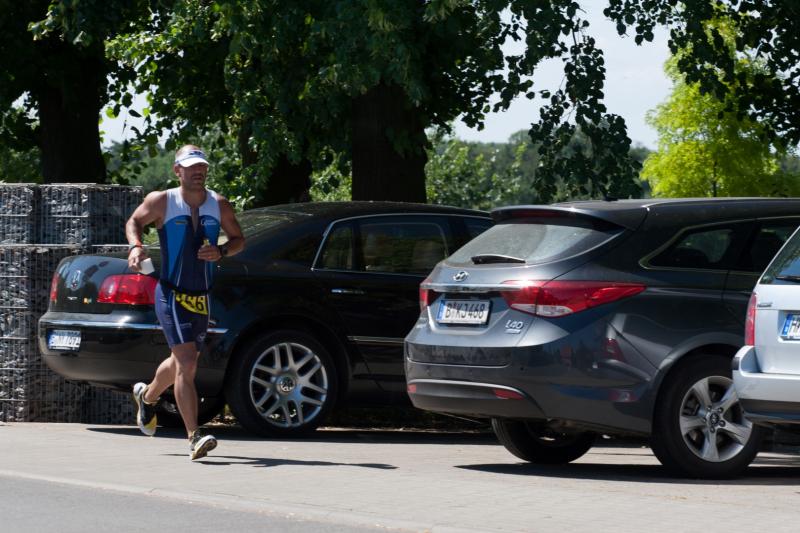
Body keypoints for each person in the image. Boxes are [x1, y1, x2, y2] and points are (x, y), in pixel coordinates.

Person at [125, 144, 245, 460]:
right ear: (177, 170)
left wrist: (221, 251)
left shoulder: (219, 204)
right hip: (171, 293)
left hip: (201, 296)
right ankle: (194, 436)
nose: (198, 172)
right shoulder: (162, 201)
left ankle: (147, 396)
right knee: (188, 362)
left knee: (180, 361)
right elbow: (134, 221)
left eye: (202, 166)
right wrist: (136, 246)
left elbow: (239, 240)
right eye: (191, 167)